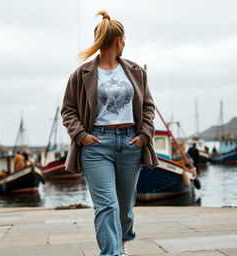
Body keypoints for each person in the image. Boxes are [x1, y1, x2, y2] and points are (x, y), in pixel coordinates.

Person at [61, 10, 159, 256]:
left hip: (130, 144)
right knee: (106, 206)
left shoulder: (136, 71)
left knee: (124, 208)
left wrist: (144, 136)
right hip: (95, 145)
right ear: (118, 41)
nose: (125, 43)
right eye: (124, 39)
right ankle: (111, 253)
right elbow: (68, 110)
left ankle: (122, 241)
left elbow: (148, 107)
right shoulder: (81, 74)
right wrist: (82, 136)